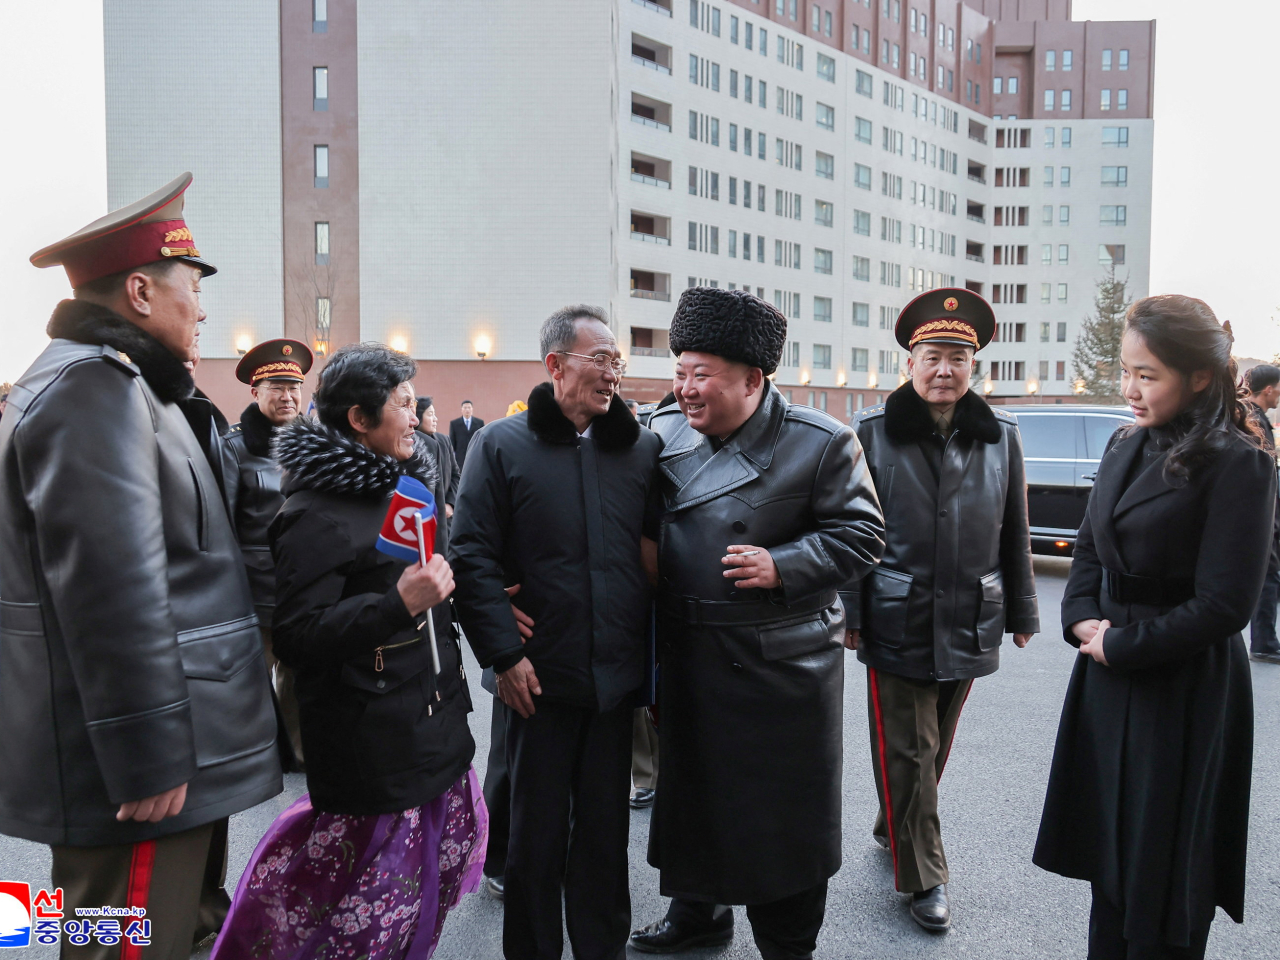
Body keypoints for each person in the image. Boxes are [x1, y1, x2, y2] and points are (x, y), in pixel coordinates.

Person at [0, 172, 282, 959]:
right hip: (144, 774)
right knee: (122, 942)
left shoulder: (123, 385)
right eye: (192, 286)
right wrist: (149, 753)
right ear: (139, 292)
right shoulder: (96, 389)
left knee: (158, 935)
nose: (203, 307)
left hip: (165, 752)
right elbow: (109, 589)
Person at [631, 288, 885, 960]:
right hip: (689, 656)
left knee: (780, 825)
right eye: (680, 372)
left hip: (780, 670)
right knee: (694, 805)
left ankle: (788, 944)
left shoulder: (821, 443)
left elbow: (864, 535)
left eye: (702, 375)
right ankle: (698, 915)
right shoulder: (663, 435)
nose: (686, 389)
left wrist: (784, 563)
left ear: (753, 379)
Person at [211, 343, 486, 959]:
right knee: (366, 919)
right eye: (403, 405)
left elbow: (429, 592)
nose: (415, 418)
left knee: (421, 900)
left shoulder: (405, 493)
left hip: (433, 726)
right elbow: (299, 638)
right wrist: (398, 605)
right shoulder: (312, 513)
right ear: (360, 419)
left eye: (416, 404)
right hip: (374, 746)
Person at [1034, 296, 1276, 960]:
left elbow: (1227, 604)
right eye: (1125, 370)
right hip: (1107, 672)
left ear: (1199, 376)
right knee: (1109, 857)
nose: (1129, 389)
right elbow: (1089, 545)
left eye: (1148, 374)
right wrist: (1081, 617)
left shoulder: (1238, 463)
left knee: (1166, 871)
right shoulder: (1124, 441)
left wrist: (1121, 643)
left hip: (1182, 683)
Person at [450, 305, 662, 960]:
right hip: (533, 683)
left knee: (604, 840)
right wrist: (503, 653)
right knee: (535, 845)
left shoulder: (641, 449)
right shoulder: (501, 445)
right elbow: (472, 554)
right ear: (556, 365)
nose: (613, 374)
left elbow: (656, 555)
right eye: (600, 360)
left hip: (611, 685)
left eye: (616, 362)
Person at [842, 289, 1038, 931]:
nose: (944, 369)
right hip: (893, 612)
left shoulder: (1000, 435)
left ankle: (892, 820)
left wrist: (1024, 611)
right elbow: (847, 527)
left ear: (973, 365)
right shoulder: (870, 432)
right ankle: (926, 878)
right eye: (932, 355)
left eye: (958, 356)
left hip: (970, 613)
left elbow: (1015, 527)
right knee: (913, 747)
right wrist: (848, 609)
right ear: (909, 363)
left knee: (932, 744)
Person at [223, 338, 314, 770]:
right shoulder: (234, 448)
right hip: (253, 585)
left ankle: (297, 754)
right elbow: (220, 525)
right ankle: (255, 758)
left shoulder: (314, 444)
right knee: (254, 678)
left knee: (298, 675)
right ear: (255, 392)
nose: (287, 396)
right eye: (276, 387)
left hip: (303, 585)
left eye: (294, 387)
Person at [1244, 364, 1280, 663]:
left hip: (1267, 512)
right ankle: (1264, 643)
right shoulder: (1252, 419)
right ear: (1268, 389)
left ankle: (1266, 640)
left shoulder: (1256, 417)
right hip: (1262, 513)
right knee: (1268, 576)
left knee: (1269, 575)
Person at [416, 395, 460, 524]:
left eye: (434, 414)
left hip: (444, 517)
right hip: (420, 516)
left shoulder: (444, 441)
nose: (435, 419)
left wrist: (450, 503)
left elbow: (455, 474)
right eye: (430, 415)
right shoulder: (408, 444)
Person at [449, 399, 485, 469]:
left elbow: (482, 440)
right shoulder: (454, 424)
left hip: (475, 456)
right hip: (460, 459)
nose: (467, 410)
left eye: (469, 407)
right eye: (465, 408)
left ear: (472, 409)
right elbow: (452, 442)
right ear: (461, 409)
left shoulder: (479, 423)